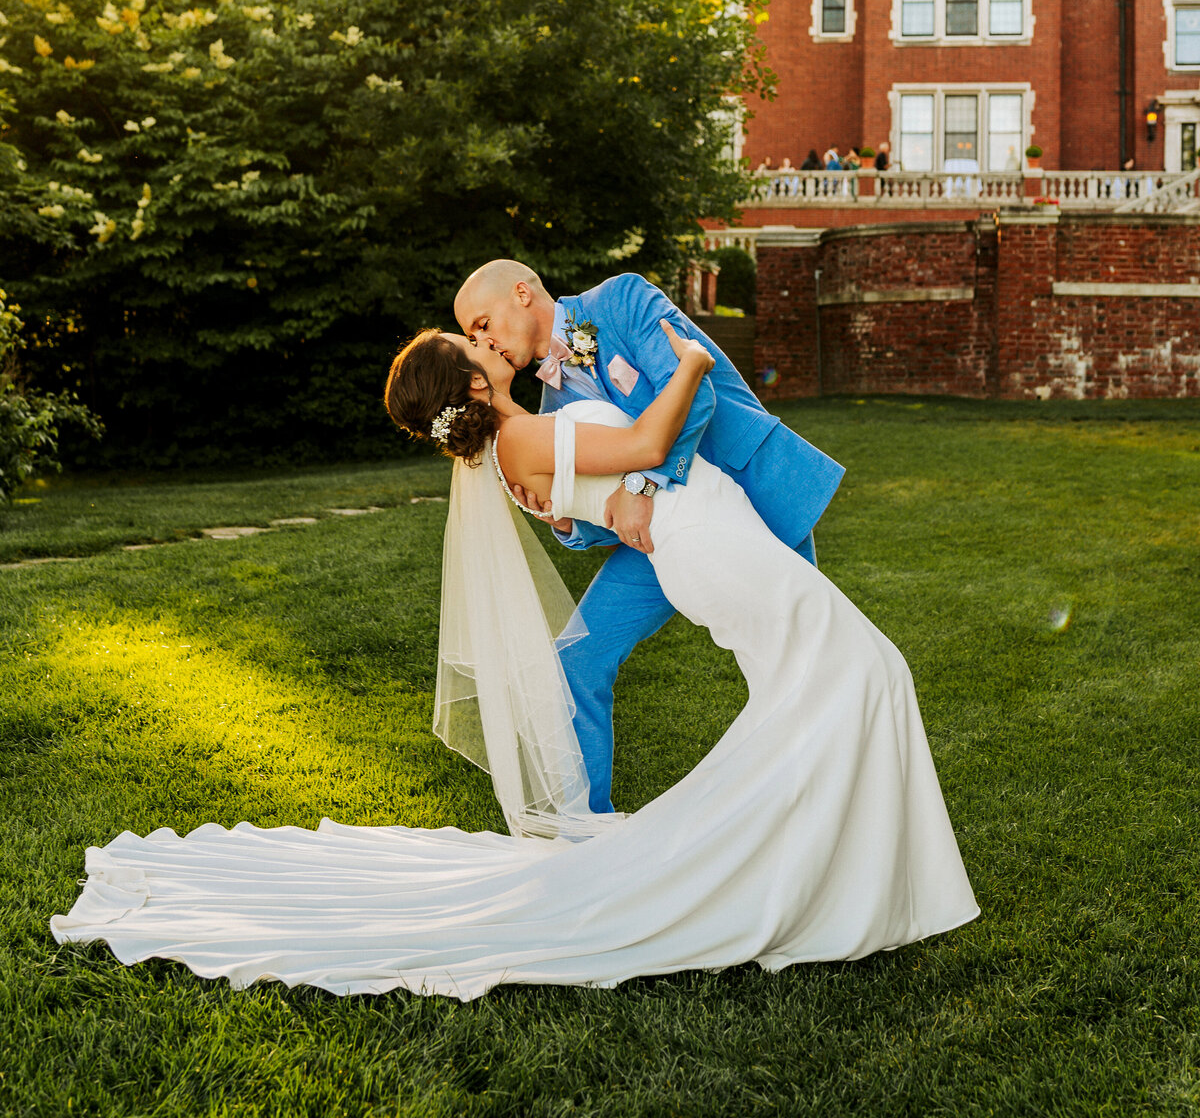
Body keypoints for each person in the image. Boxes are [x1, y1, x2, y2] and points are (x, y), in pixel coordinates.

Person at [51, 322, 978, 997]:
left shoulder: (500, 456)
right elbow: (650, 444)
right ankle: (809, 880)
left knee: (833, 685)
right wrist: (693, 357)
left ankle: (826, 872)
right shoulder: (525, 435)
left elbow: (594, 495)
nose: (490, 344)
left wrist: (613, 498)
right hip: (705, 548)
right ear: (477, 385)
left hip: (696, 543)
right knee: (860, 675)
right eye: (477, 346)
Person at [451, 262, 843, 814]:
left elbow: (694, 387)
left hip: (748, 491)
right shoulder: (548, 410)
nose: (484, 340)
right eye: (473, 338)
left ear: (522, 292)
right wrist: (566, 523)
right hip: (663, 540)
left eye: (484, 323)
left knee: (801, 660)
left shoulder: (621, 300)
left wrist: (642, 484)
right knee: (578, 662)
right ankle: (586, 829)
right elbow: (602, 516)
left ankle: (821, 809)